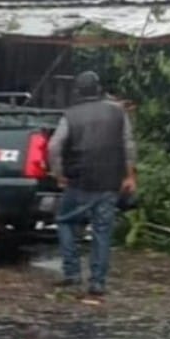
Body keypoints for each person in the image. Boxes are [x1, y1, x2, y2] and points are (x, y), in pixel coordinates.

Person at [47, 71, 137, 298]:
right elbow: (128, 145)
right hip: (109, 182)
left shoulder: (70, 115)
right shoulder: (118, 112)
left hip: (78, 180)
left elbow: (53, 146)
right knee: (102, 230)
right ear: (99, 89)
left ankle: (72, 273)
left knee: (65, 221)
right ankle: (97, 282)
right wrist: (129, 176)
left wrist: (59, 174)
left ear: (77, 91)